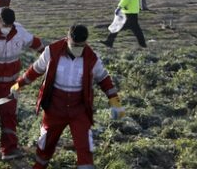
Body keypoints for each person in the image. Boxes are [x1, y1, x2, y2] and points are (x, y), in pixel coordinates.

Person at [11, 24, 125, 168]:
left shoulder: (91, 57)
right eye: (74, 44)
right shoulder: (52, 51)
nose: (77, 48)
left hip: (79, 109)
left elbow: (104, 79)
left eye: (81, 45)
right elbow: (35, 70)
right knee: (45, 144)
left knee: (85, 147)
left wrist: (116, 103)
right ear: (68, 38)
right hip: (54, 107)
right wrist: (17, 85)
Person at [0, 8, 45, 160]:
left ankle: (9, 149)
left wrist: (47, 54)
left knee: (9, 115)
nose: (8, 28)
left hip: (11, 85)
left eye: (10, 25)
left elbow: (34, 42)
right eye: (5, 25)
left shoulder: (18, 30)